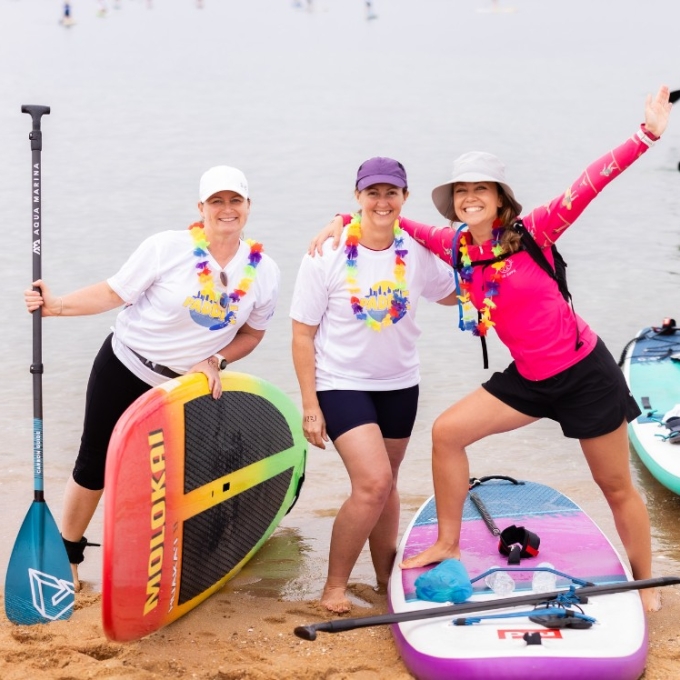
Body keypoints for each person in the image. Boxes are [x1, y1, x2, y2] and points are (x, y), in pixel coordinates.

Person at [311, 86, 673, 612]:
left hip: (583, 373)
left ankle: (643, 583)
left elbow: (589, 185)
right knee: (447, 434)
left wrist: (644, 136)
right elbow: (392, 221)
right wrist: (342, 220)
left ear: (500, 197)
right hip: (527, 377)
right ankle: (448, 541)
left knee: (615, 485)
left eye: (481, 189)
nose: (470, 198)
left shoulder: (535, 230)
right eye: (462, 191)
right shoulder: (455, 246)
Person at [24, 165, 280, 591]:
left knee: (168, 481)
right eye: (216, 201)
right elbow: (112, 293)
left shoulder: (264, 271)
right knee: (94, 467)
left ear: (249, 207)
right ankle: (68, 557)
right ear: (201, 208)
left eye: (235, 200)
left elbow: (253, 333)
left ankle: (162, 566)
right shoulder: (166, 248)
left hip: (184, 389)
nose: (226, 209)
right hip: (125, 366)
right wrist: (57, 306)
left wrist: (216, 359)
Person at [290, 157, 458, 613]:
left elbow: (453, 292)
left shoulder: (417, 250)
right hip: (340, 382)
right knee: (373, 482)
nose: (382, 201)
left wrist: (501, 271)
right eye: (373, 192)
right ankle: (333, 587)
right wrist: (309, 404)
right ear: (358, 196)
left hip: (401, 384)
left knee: (389, 484)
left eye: (391, 192)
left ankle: (387, 581)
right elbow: (302, 333)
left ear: (405, 197)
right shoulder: (327, 252)